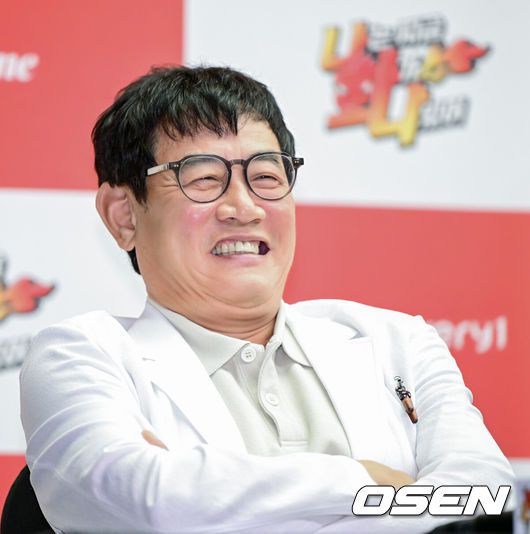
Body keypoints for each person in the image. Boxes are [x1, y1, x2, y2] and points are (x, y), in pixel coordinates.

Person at [20, 66, 514, 533]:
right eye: (203, 177)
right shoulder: (81, 356)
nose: (244, 207)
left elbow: (485, 501)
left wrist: (216, 499)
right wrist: (363, 479)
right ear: (124, 215)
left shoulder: (397, 342)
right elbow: (147, 498)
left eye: (266, 176)